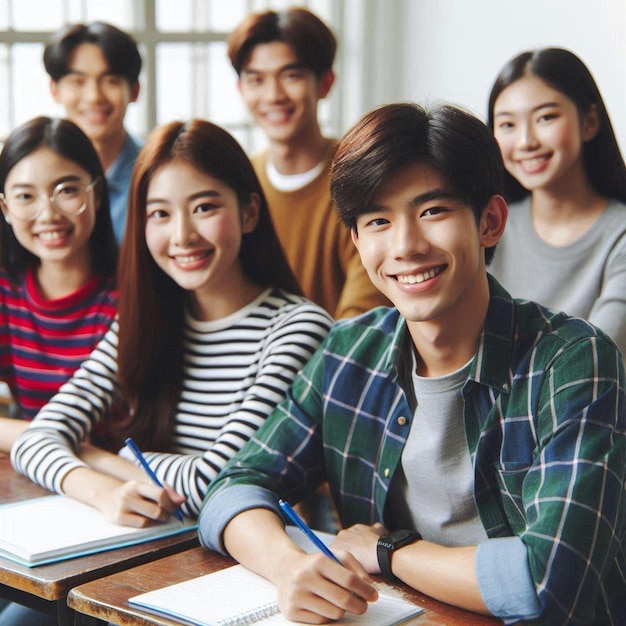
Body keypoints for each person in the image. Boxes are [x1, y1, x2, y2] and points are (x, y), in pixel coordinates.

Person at [199, 103, 626, 625]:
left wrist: (388, 553)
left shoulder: (573, 362)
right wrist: (289, 566)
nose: (405, 246)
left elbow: (545, 582)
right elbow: (233, 488)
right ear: (357, 242)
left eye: (432, 212)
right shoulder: (347, 354)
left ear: (490, 221)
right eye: (378, 221)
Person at [11, 117, 332, 525]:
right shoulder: (146, 319)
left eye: (204, 207)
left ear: (249, 212)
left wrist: (104, 456)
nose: (182, 235)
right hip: (149, 554)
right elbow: (35, 440)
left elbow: (215, 486)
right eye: (159, 214)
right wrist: (104, 489)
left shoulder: (297, 328)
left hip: (242, 568)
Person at [227, 7, 389, 319]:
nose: (273, 95)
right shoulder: (237, 182)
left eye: (291, 75)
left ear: (325, 83)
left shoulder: (365, 179)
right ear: (241, 89)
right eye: (256, 79)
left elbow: (363, 318)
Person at [487, 47, 626, 358]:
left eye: (546, 117)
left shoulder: (620, 236)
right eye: (507, 125)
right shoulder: (489, 225)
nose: (526, 142)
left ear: (589, 122)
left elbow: (594, 358)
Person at [0, 116, 118, 452]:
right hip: (37, 479)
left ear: (96, 194)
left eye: (66, 190)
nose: (48, 214)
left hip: (120, 479)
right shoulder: (6, 293)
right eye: (25, 196)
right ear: (5, 208)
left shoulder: (130, 295)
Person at [44, 21, 142, 245]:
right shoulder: (34, 178)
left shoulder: (156, 173)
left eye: (111, 81)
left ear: (135, 90)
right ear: (54, 90)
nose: (94, 97)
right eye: (77, 81)